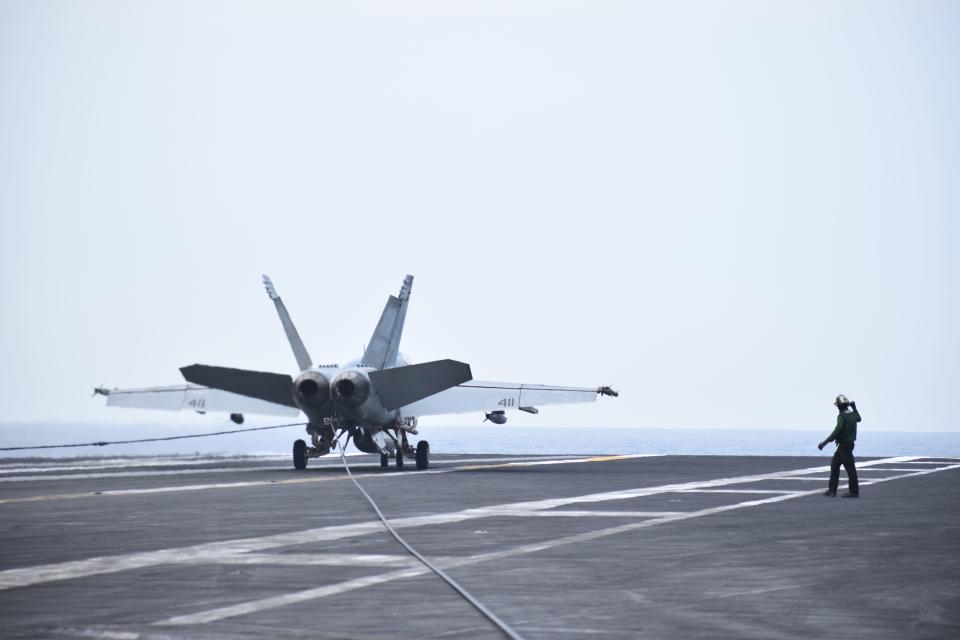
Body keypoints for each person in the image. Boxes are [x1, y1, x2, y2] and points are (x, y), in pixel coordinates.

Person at [818, 395, 860, 498]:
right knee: (835, 464)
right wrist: (854, 407)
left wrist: (825, 442)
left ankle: (854, 492)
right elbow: (858, 418)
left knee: (850, 468)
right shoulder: (851, 414)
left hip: (845, 446)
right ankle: (832, 490)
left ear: (840, 406)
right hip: (847, 445)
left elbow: (837, 430)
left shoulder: (842, 416)